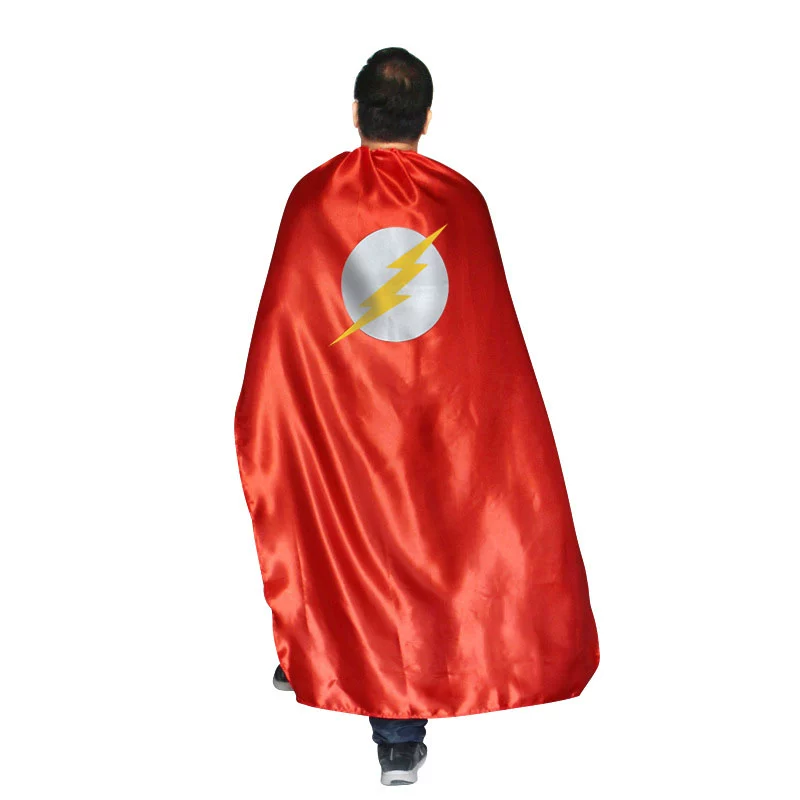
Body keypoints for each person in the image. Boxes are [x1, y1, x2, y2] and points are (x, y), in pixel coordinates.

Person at [234, 46, 599, 788]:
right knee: (424, 549)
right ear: (427, 118)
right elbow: (488, 338)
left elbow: (287, 327)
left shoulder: (312, 198)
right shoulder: (460, 202)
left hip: (347, 418)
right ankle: (353, 690)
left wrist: (290, 403)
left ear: (355, 112)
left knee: (339, 528)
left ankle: (371, 705)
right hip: (434, 422)